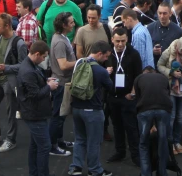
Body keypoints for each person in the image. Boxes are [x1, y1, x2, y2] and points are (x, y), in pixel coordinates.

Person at [67, 40, 114, 176]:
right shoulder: (101, 71)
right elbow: (110, 88)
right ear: (100, 53)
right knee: (94, 142)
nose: (106, 59)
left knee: (80, 139)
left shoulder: (79, 63)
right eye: (105, 56)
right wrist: (107, 73)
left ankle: (76, 167)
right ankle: (95, 170)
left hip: (76, 108)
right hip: (93, 111)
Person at [17, 40, 59, 176]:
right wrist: (49, 87)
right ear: (36, 54)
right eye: (44, 56)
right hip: (34, 114)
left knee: (35, 146)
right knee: (44, 146)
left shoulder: (30, 66)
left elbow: (34, 86)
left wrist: (45, 82)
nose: (44, 59)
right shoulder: (28, 71)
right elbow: (34, 95)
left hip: (34, 112)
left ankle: (34, 173)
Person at [0, 13, 28, 153]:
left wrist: (7, 68)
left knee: (10, 111)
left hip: (10, 81)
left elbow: (24, 65)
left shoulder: (19, 42)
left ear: (7, 26)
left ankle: (11, 139)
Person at [107, 27, 143, 166]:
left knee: (131, 128)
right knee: (116, 126)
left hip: (128, 97)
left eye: (123, 41)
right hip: (113, 96)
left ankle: (136, 156)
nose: (120, 44)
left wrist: (133, 93)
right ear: (112, 40)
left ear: (127, 39)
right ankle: (120, 152)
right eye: (117, 41)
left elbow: (138, 76)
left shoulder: (133, 54)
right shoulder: (108, 54)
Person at [132, 65, 172, 176]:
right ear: (154, 72)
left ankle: (146, 173)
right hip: (164, 109)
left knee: (143, 143)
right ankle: (162, 172)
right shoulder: (163, 77)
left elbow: (138, 97)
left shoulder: (139, 78)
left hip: (145, 111)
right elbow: (167, 93)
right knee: (162, 142)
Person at [48, 11, 77, 156]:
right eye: (71, 22)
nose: (73, 24)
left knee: (62, 115)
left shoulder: (62, 37)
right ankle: (52, 146)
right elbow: (64, 65)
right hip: (61, 84)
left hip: (63, 82)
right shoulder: (59, 42)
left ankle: (59, 141)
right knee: (58, 117)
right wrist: (80, 62)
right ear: (64, 25)